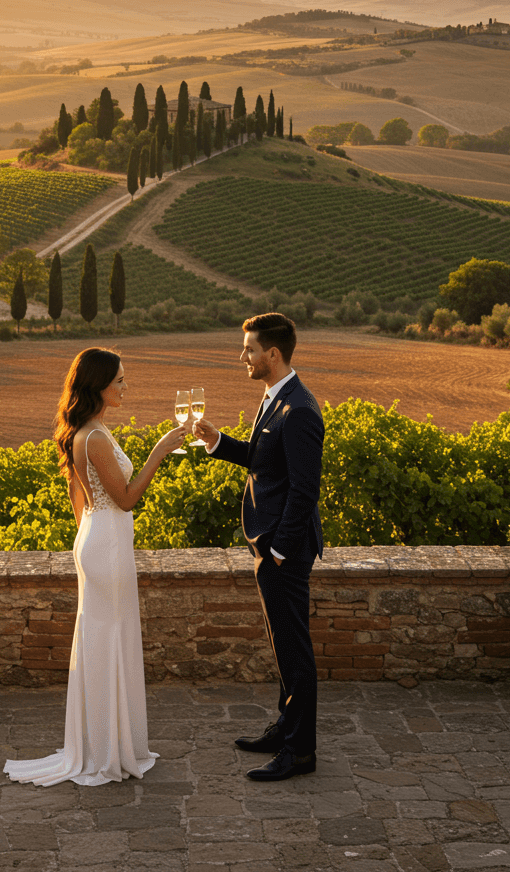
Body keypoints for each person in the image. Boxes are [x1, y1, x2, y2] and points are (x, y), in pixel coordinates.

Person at [3, 347, 186, 787]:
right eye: (119, 380)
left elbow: (75, 493)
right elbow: (125, 498)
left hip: (98, 538)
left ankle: (106, 743)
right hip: (107, 543)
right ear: (98, 385)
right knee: (110, 637)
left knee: (104, 636)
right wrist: (159, 451)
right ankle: (107, 751)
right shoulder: (97, 437)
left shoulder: (86, 430)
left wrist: (89, 531)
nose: (125, 386)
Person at [193, 312, 323, 782]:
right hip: (268, 547)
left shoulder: (301, 409)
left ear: (273, 353)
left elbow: (305, 491)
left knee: (295, 651)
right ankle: (285, 728)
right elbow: (262, 459)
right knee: (282, 644)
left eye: (248, 349)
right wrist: (218, 441)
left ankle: (300, 753)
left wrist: (281, 552)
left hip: (282, 551)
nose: (241, 356)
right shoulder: (275, 398)